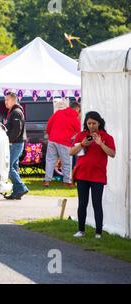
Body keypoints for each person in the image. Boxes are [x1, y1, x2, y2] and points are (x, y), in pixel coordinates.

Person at [69, 111, 116, 239]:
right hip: (82, 174)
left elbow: (112, 154)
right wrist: (83, 144)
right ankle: (81, 230)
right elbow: (71, 152)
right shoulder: (81, 136)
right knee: (82, 203)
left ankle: (98, 232)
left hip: (98, 175)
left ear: (99, 123)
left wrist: (101, 144)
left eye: (94, 123)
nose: (91, 126)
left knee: (97, 203)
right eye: (89, 123)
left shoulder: (107, 137)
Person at [44, 102, 81, 187]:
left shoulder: (58, 113)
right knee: (67, 162)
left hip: (52, 139)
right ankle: (67, 181)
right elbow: (79, 133)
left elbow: (49, 124)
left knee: (50, 161)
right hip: (65, 142)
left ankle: (47, 180)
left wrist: (50, 135)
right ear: (77, 108)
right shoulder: (75, 118)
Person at [4, 92, 29, 200]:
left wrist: (8, 140)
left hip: (15, 144)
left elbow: (17, 130)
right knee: (13, 167)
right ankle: (17, 192)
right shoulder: (13, 112)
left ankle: (21, 188)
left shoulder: (16, 112)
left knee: (8, 168)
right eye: (5, 100)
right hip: (15, 143)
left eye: (7, 100)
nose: (5, 102)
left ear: (14, 100)